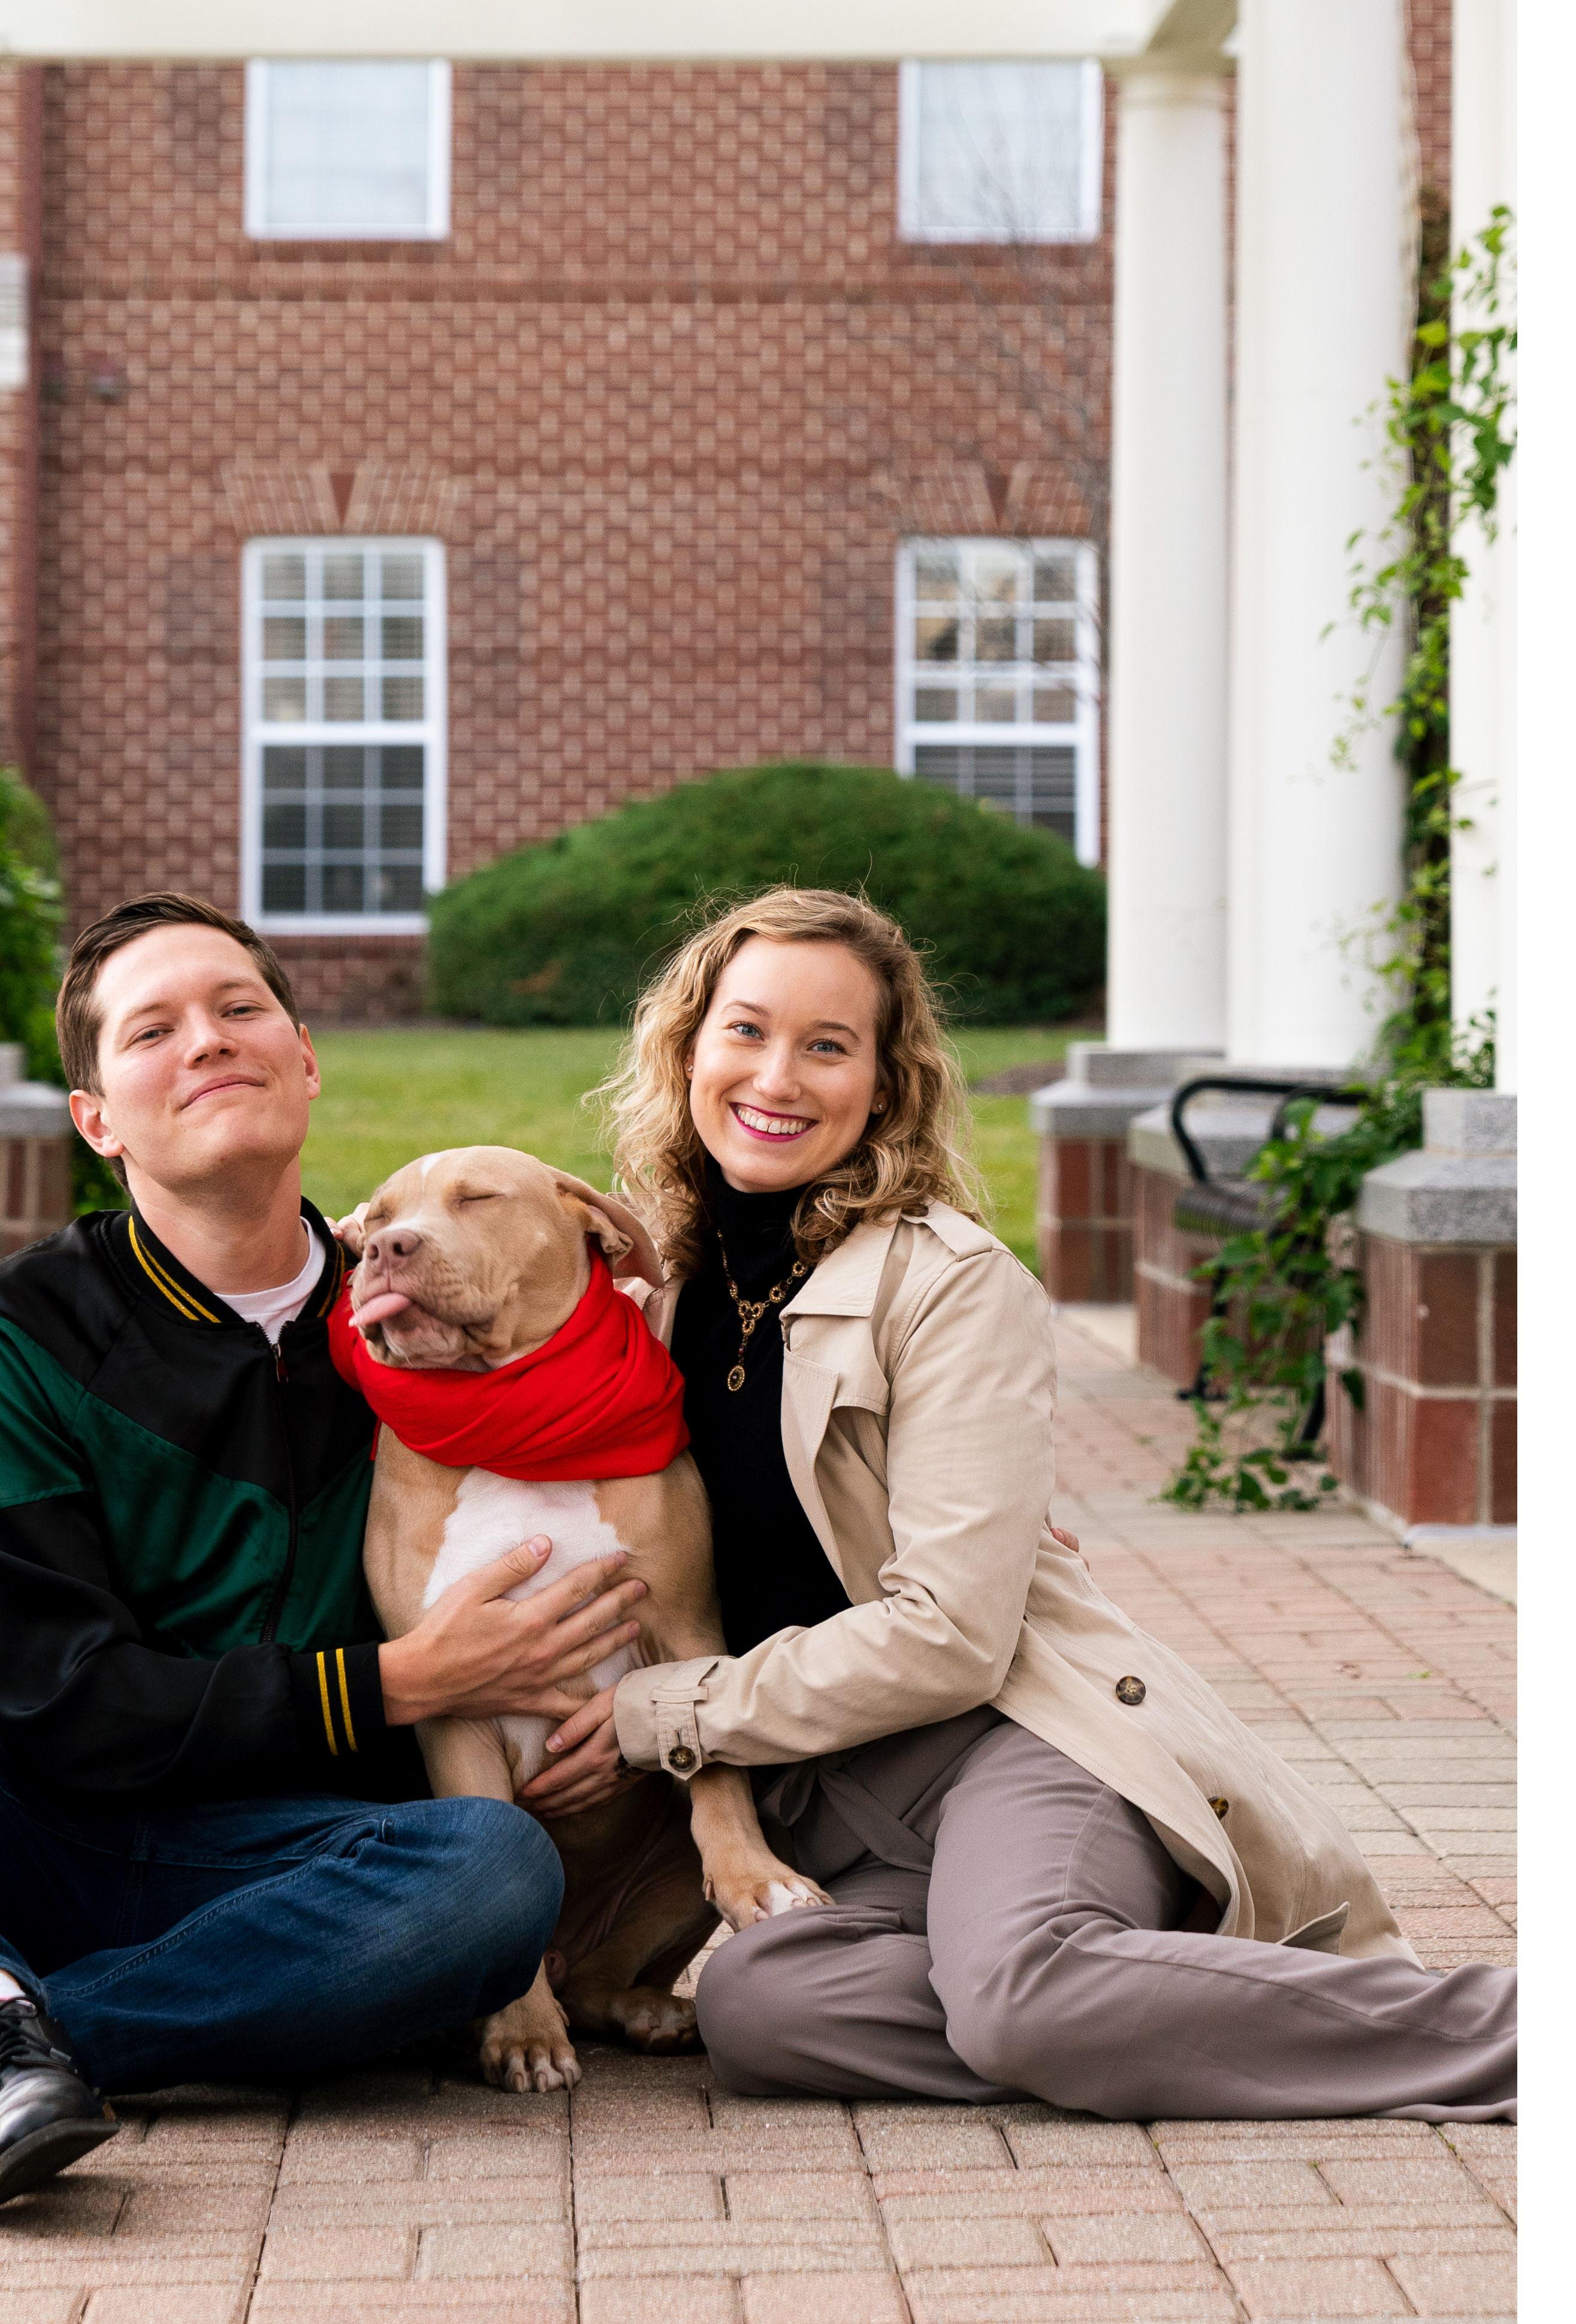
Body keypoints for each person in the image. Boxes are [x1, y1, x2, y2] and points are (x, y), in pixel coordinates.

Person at [0, 893, 649, 2216]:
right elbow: (48, 1697)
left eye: (240, 1008)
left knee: (490, 1872)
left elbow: (649, 1503)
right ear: (98, 1118)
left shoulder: (414, 1311)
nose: (208, 1040)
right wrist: (398, 1682)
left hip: (295, 1865)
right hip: (19, 1827)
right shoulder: (4, 1336)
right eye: (154, 1029)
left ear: (305, 1060)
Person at [516, 887, 1516, 2121]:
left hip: (1009, 1742)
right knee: (763, 2008)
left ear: (883, 1088)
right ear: (686, 1049)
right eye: (745, 1031)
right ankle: (1142, 1991)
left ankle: (1514, 2035)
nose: (776, 1075)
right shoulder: (653, 1293)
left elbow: (949, 1634)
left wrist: (657, 1710)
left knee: (1016, 1993)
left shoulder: (946, 1283)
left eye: (828, 1046)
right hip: (836, 1809)